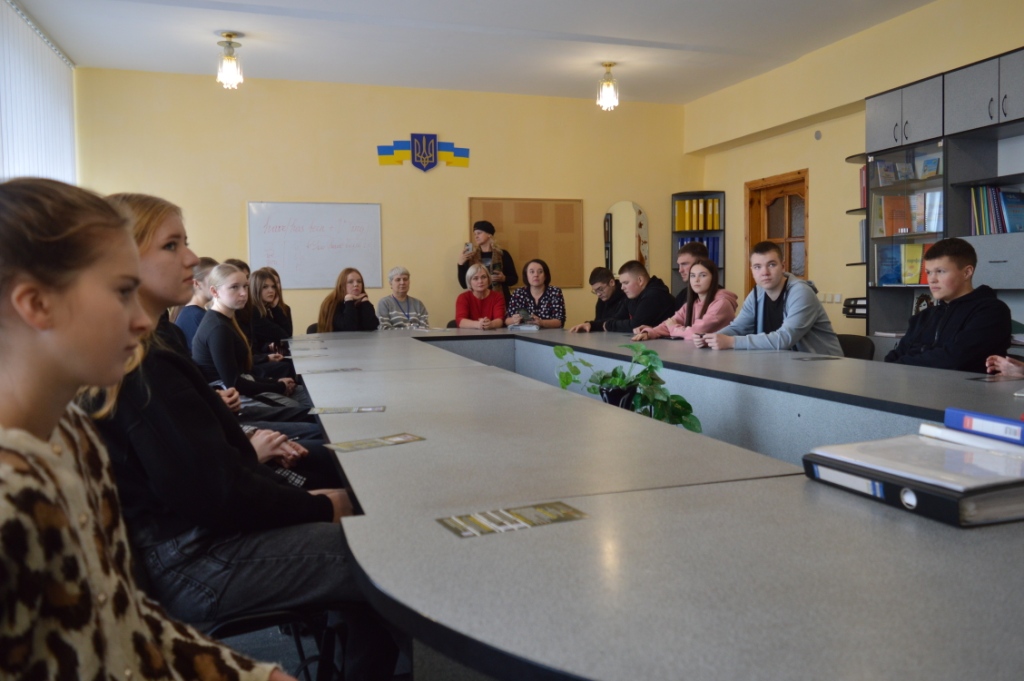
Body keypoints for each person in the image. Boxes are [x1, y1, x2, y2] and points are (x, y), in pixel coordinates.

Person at [94, 192, 399, 680]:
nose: (192, 258)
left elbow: (214, 470)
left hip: (197, 537)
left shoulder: (159, 342)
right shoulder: (142, 362)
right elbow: (213, 493)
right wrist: (318, 507)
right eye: (172, 246)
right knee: (381, 551)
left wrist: (304, 498)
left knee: (343, 499)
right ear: (120, 259)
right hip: (192, 560)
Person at [0, 177, 293, 680]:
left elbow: (125, 621)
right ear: (37, 304)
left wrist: (256, 675)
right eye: (121, 292)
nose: (140, 322)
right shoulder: (11, 496)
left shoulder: (74, 438)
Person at [885, 237, 1011, 372]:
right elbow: (895, 356)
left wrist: (900, 365)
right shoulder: (924, 316)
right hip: (916, 381)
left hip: (962, 384)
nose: (932, 279)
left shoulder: (991, 311)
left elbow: (954, 359)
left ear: (967, 272)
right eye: (928, 272)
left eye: (940, 271)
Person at [700, 241, 841, 354]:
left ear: (783, 266)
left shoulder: (801, 293)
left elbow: (784, 339)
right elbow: (738, 328)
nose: (765, 272)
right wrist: (710, 338)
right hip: (784, 365)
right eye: (757, 267)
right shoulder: (757, 293)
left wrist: (731, 342)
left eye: (771, 265)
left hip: (823, 367)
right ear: (752, 271)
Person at [192, 263, 306, 403]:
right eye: (234, 287)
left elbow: (243, 375)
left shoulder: (226, 320)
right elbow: (235, 384)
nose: (244, 293)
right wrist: (279, 386)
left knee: (308, 395)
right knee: (307, 408)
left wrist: (276, 382)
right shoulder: (218, 328)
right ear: (215, 292)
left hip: (245, 389)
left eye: (245, 286)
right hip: (236, 399)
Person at [634, 259, 737, 341]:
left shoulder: (721, 303)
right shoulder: (692, 304)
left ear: (713, 278)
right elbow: (670, 323)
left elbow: (696, 332)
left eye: (703, 275)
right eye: (692, 275)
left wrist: (674, 328)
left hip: (721, 356)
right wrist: (649, 332)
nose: (696, 280)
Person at [600, 260, 677, 333]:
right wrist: (597, 325)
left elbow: (636, 325)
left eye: (626, 283)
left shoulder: (654, 295)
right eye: (621, 283)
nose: (622, 288)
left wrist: (608, 325)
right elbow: (616, 318)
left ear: (640, 280)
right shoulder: (633, 296)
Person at [456, 220, 518, 300]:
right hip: (478, 301)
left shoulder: (502, 254)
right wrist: (460, 264)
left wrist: (504, 278)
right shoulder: (471, 257)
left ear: (489, 234)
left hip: (500, 299)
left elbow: (514, 279)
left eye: (479, 233)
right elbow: (464, 284)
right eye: (475, 234)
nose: (476, 236)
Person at [505, 259, 566, 328]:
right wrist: (514, 320)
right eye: (532, 272)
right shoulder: (518, 293)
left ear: (545, 276)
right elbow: (507, 320)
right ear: (526, 275)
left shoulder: (555, 292)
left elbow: (559, 321)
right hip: (524, 333)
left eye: (540, 272)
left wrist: (541, 322)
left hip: (549, 333)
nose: (536, 275)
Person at [173, 255, 218, 349]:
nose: (218, 284)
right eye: (212, 280)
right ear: (196, 283)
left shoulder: (195, 313)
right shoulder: (196, 316)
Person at [317, 267, 379, 332]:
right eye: (350, 282)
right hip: (336, 338)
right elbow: (348, 328)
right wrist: (349, 300)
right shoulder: (331, 303)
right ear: (342, 285)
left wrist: (365, 301)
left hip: (360, 338)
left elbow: (372, 327)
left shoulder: (362, 302)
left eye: (359, 281)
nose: (356, 284)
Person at [569, 267, 627, 333]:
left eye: (600, 289)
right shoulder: (602, 298)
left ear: (611, 282)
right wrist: (589, 325)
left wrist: (592, 325)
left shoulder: (626, 295)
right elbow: (598, 321)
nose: (598, 294)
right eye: (595, 291)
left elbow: (617, 320)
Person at [251, 266, 293, 351]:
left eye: (273, 286)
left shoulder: (270, 309)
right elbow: (283, 336)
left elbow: (288, 337)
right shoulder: (255, 311)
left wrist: (275, 307)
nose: (271, 290)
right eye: (265, 287)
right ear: (256, 288)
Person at [456, 264, 505, 329]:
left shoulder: (497, 297)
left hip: (491, 333)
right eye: (475, 278)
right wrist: (478, 324)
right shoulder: (463, 297)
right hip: (469, 333)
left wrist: (491, 324)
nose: (480, 281)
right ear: (469, 281)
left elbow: (500, 320)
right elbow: (460, 321)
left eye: (483, 277)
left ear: (488, 279)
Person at [674, 242, 710, 308]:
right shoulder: (682, 295)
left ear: (700, 263)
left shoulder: (719, 297)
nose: (680, 270)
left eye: (684, 264)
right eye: (679, 265)